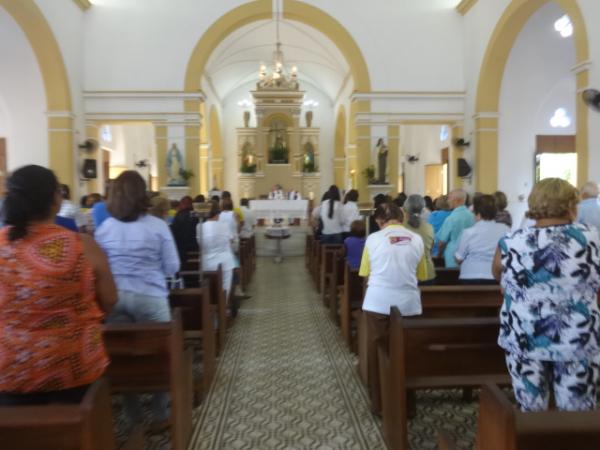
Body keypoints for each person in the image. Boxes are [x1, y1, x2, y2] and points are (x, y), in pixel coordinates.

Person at [0, 165, 116, 405]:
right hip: (76, 364)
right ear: (56, 199)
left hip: (10, 368)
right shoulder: (82, 245)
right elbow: (110, 299)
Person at [492, 178, 600, 412]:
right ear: (572, 205)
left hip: (525, 334)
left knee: (530, 408)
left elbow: (497, 273)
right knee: (578, 411)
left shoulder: (511, 242)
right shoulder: (593, 239)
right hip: (577, 336)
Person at [95, 170, 180, 431]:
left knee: (122, 357)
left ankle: (132, 417)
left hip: (116, 298)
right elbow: (172, 266)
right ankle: (159, 412)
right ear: (142, 195)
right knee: (161, 354)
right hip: (151, 297)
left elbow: (100, 268)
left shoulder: (105, 228)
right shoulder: (157, 226)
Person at [359, 202, 424, 414]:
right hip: (408, 304)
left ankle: (380, 405)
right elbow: (421, 275)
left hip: (378, 303)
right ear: (402, 218)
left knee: (379, 353)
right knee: (408, 352)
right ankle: (408, 405)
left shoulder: (373, 239)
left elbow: (365, 273)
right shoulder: (417, 239)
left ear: (379, 221)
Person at [455, 194, 509, 284]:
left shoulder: (468, 232)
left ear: (478, 214)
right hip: (495, 276)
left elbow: (459, 258)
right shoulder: (505, 229)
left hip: (470, 276)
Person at [199, 201, 236, 301]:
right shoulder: (224, 226)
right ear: (217, 212)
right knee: (224, 290)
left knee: (209, 292)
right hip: (225, 262)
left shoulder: (199, 227)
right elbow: (231, 240)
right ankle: (223, 309)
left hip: (206, 263)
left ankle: (210, 311)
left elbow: (199, 244)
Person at [436, 189, 475, 268]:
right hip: (470, 255)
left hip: (453, 256)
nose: (448, 201)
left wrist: (439, 254)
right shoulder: (473, 216)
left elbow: (442, 242)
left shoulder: (451, 218)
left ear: (457, 200)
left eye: (449, 198)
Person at [403, 194, 435, 284]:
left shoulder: (399, 227)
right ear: (423, 209)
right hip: (427, 272)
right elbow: (431, 248)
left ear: (404, 209)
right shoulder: (429, 228)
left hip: (407, 273)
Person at [170, 195, 199, 261]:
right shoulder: (196, 215)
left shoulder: (179, 216)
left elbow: (175, 233)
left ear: (182, 204)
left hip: (182, 252)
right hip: (195, 248)